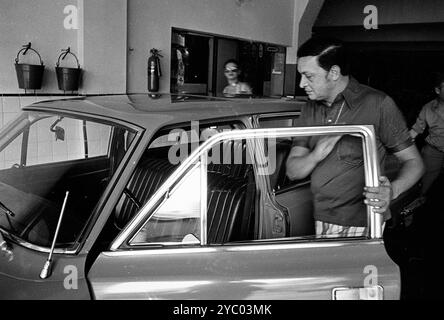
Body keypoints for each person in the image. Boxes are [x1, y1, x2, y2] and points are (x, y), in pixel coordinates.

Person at [286, 37, 424, 237]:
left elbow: (414, 162)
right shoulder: (309, 109)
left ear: (333, 73)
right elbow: (293, 171)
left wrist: (392, 191)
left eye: (308, 76)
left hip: (364, 222)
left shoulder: (378, 104)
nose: (301, 84)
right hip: (321, 220)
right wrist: (317, 154)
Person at [410, 73, 444, 203]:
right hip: (433, 152)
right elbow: (416, 129)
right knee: (425, 186)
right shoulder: (428, 107)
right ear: (437, 90)